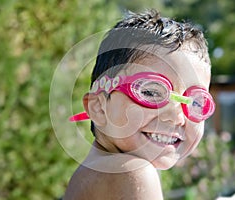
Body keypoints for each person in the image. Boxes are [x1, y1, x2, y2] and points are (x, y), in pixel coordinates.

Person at [63, 9, 215, 200]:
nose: (177, 116)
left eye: (195, 102)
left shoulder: (92, 173)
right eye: (151, 92)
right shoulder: (133, 173)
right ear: (99, 108)